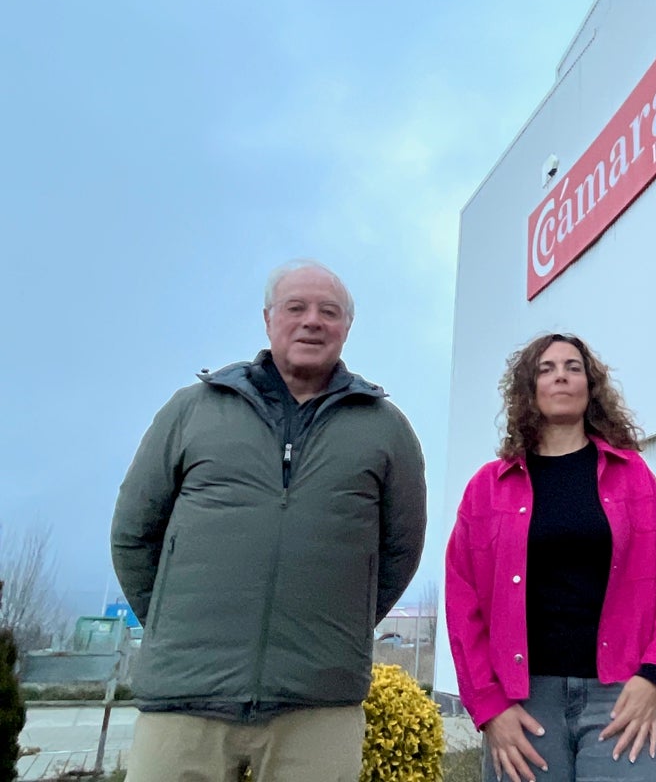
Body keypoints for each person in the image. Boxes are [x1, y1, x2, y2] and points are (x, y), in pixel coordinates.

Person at [111, 259, 427, 782]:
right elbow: (133, 536)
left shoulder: (385, 428)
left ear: (347, 327)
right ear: (267, 319)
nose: (312, 321)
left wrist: (332, 631)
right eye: (295, 308)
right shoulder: (193, 410)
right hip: (184, 704)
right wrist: (175, 627)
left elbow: (399, 551)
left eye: (329, 312)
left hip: (317, 710)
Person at [446, 333, 656, 782]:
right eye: (546, 368)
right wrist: (488, 707)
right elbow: (462, 603)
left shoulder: (634, 478)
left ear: (590, 387)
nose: (560, 375)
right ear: (529, 388)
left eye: (572, 366)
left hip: (624, 699)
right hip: (522, 705)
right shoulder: (487, 489)